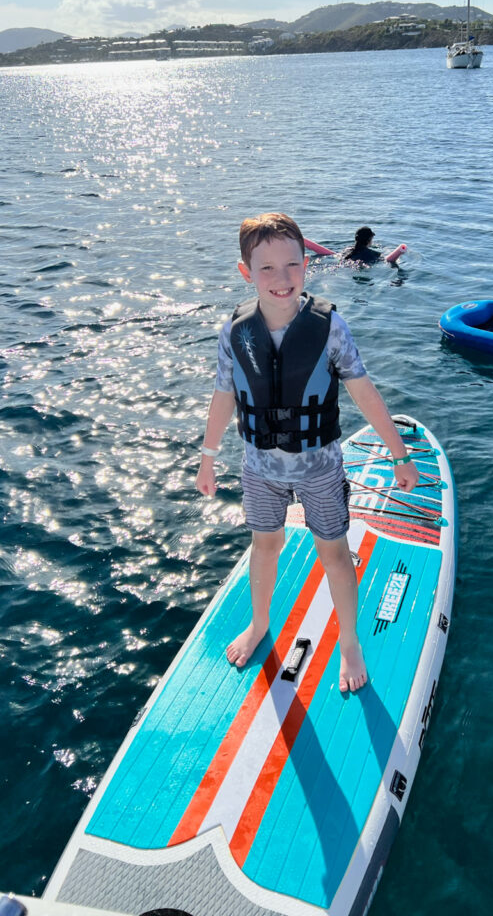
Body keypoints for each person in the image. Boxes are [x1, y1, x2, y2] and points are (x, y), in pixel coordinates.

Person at [195, 213, 418, 694]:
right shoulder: (234, 332)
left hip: (319, 467)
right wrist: (208, 457)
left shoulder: (330, 326)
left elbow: (364, 392)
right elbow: (222, 396)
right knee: (264, 546)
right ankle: (259, 624)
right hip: (259, 468)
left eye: (292, 265)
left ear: (306, 266)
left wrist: (399, 454)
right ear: (245, 273)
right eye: (267, 269)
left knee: (334, 555)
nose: (282, 279)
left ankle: (351, 641)